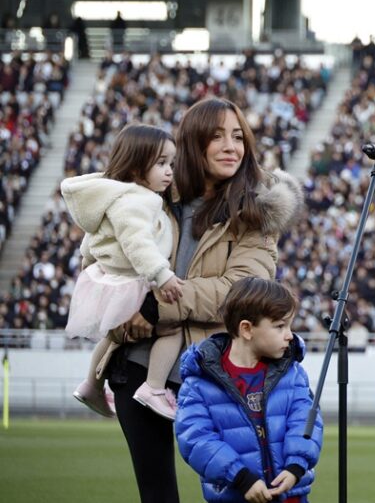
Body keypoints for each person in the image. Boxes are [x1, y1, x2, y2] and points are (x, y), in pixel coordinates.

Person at [99, 97, 304, 503]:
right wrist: (128, 318)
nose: (232, 146)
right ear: (191, 143)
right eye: (216, 136)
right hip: (138, 366)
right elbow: (111, 271)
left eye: (237, 136)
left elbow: (240, 290)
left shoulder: (257, 214)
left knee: (231, 492)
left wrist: (155, 308)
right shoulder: (147, 199)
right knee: (157, 494)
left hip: (214, 373)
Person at [63, 125, 187, 420]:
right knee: (174, 327)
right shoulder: (137, 200)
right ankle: (154, 387)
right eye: (160, 164)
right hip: (132, 280)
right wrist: (162, 274)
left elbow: (93, 238)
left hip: (111, 279)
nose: (169, 171)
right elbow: (137, 243)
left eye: (171, 163)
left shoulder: (115, 196)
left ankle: (91, 384)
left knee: (115, 336)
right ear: (134, 166)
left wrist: (89, 265)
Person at [176, 277, 324, 503]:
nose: (290, 335)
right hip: (236, 495)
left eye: (289, 326)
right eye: (279, 326)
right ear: (246, 329)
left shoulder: (292, 374)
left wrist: (296, 466)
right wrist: (240, 477)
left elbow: (306, 421)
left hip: (290, 497)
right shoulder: (200, 382)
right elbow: (196, 439)